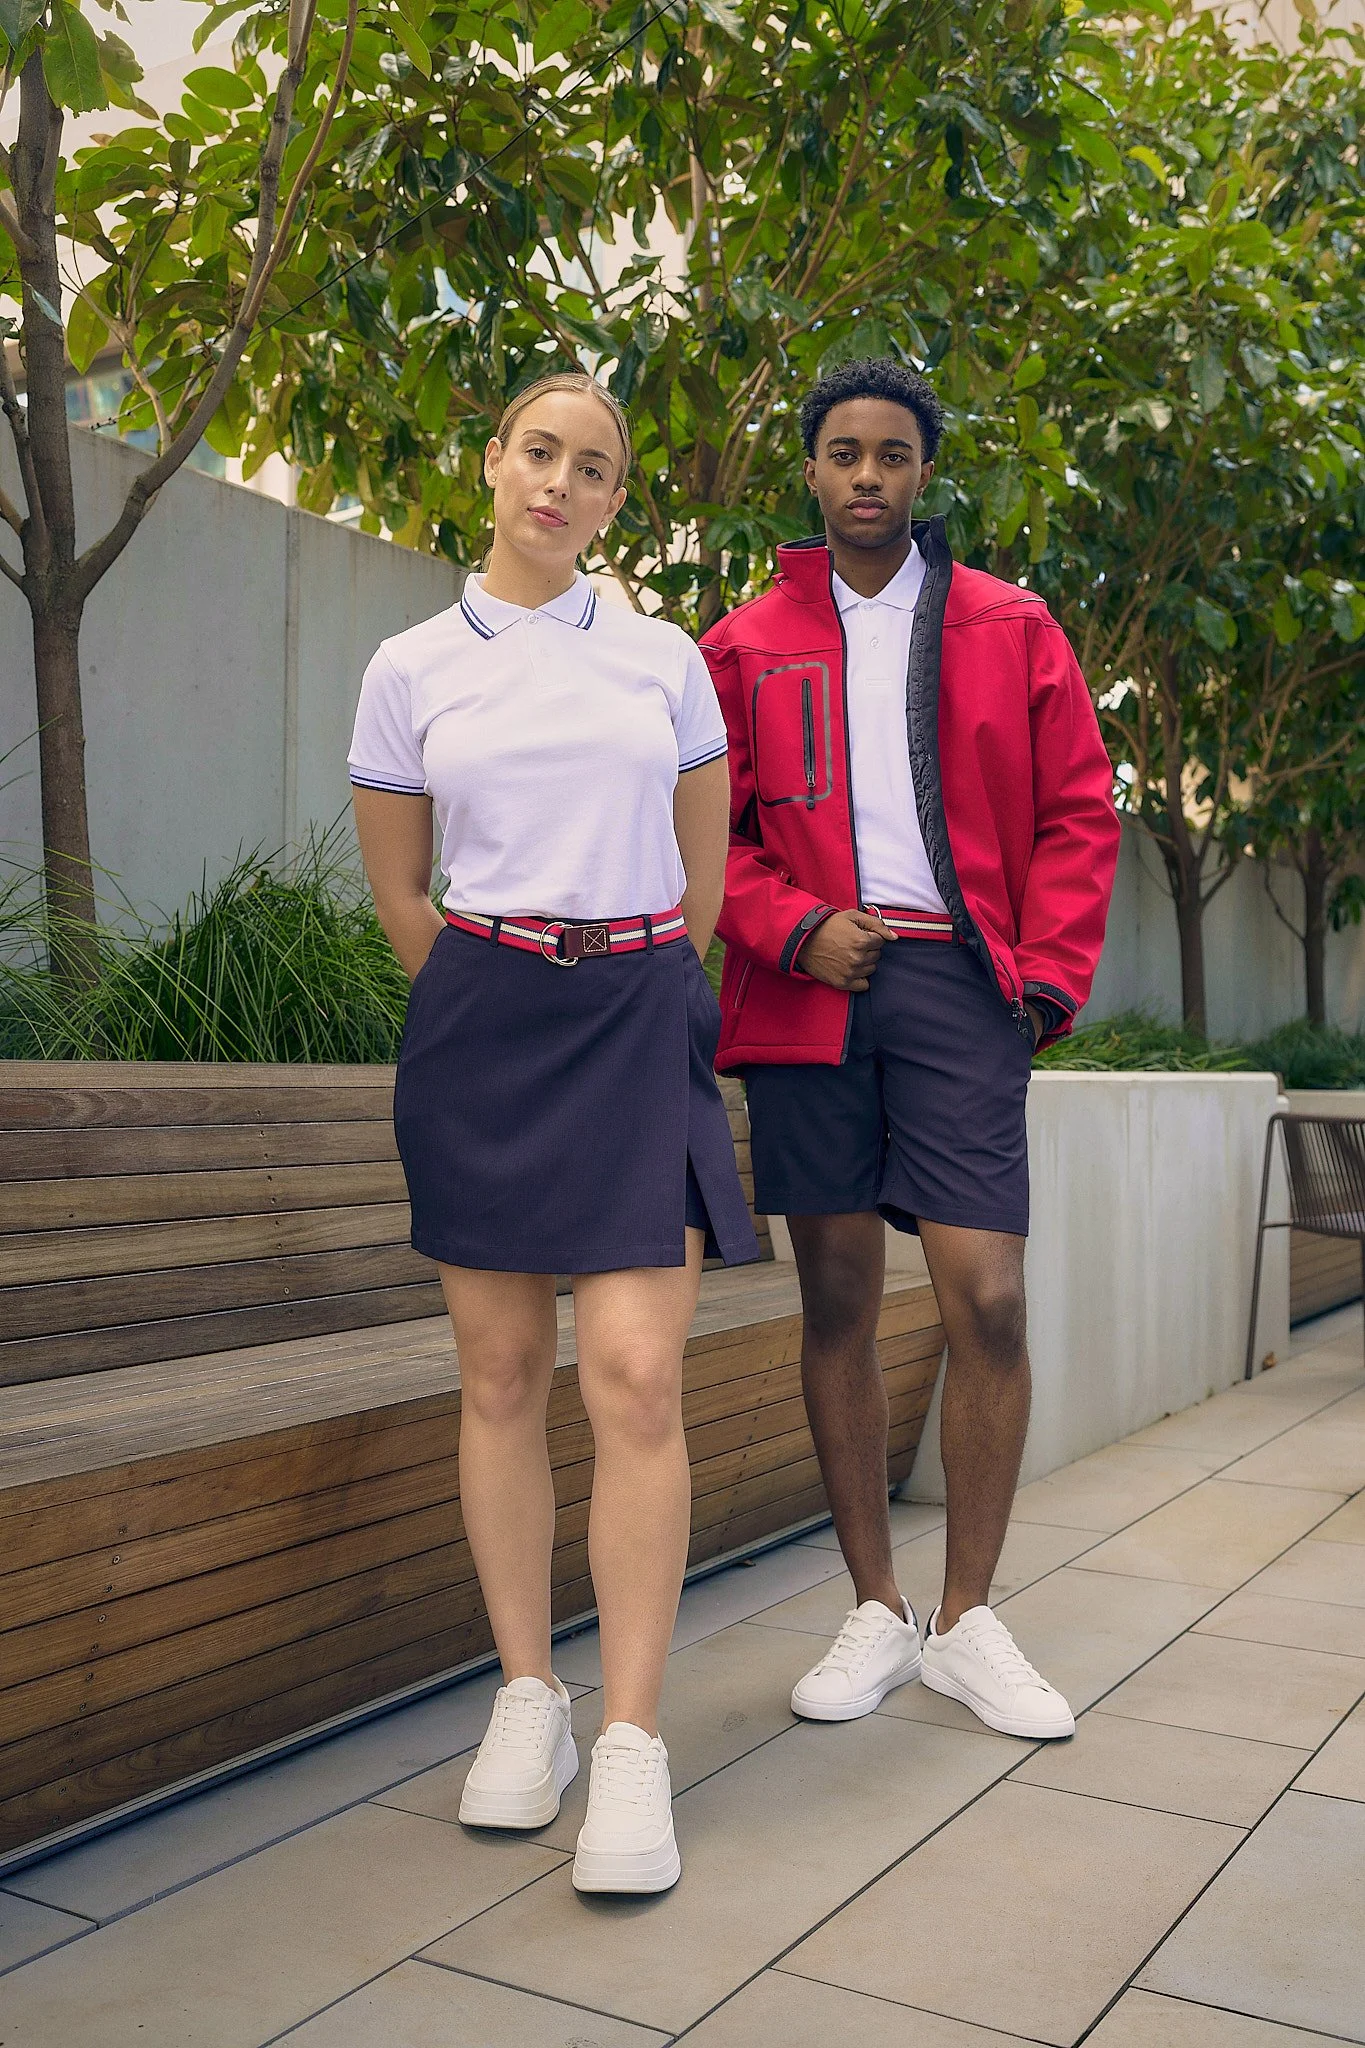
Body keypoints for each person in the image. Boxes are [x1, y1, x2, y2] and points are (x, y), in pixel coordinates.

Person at [349, 370, 758, 1895]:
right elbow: (402, 891)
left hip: (639, 1011)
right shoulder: (408, 665)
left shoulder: (661, 660)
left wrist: (649, 979)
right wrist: (488, 988)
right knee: (504, 1372)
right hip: (484, 1024)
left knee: (639, 1377)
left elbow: (705, 860)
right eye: (540, 451)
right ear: (493, 460)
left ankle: (635, 1746)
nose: (560, 484)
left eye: (593, 467)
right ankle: (532, 1698)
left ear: (611, 499)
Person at [702, 357, 1119, 1740]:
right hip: (812, 987)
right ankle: (876, 1606)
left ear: (923, 473)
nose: (867, 474)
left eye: (891, 452)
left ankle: (970, 1619)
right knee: (834, 1296)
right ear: (811, 471)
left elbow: (1077, 813)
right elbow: (715, 839)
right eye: (842, 452)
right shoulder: (744, 644)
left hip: (958, 986)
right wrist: (791, 925)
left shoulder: (1014, 627)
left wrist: (1042, 982)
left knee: (983, 1294)